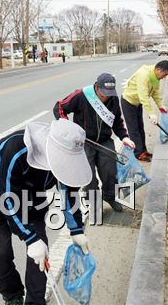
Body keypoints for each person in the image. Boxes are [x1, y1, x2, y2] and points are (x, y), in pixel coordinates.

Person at [0, 119, 92, 305]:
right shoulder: (16, 147)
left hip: (34, 196)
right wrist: (29, 238)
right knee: (1, 253)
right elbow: (6, 198)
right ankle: (13, 296)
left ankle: (35, 302)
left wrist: (76, 229)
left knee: (41, 253)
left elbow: (69, 193)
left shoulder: (64, 161)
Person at [53, 73, 135, 213]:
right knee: (88, 176)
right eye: (103, 93)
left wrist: (124, 137)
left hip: (104, 140)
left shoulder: (114, 100)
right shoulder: (81, 95)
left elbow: (117, 122)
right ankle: (94, 202)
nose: (105, 97)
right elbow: (59, 107)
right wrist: (67, 128)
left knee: (110, 172)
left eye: (109, 93)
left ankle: (109, 197)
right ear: (96, 87)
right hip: (83, 142)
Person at [121, 60, 168, 162]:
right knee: (134, 129)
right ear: (158, 70)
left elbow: (155, 93)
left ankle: (143, 150)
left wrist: (160, 105)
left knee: (140, 127)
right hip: (129, 101)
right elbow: (143, 96)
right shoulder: (144, 75)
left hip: (137, 103)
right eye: (165, 74)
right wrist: (152, 114)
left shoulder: (155, 77)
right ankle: (138, 153)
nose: (165, 77)